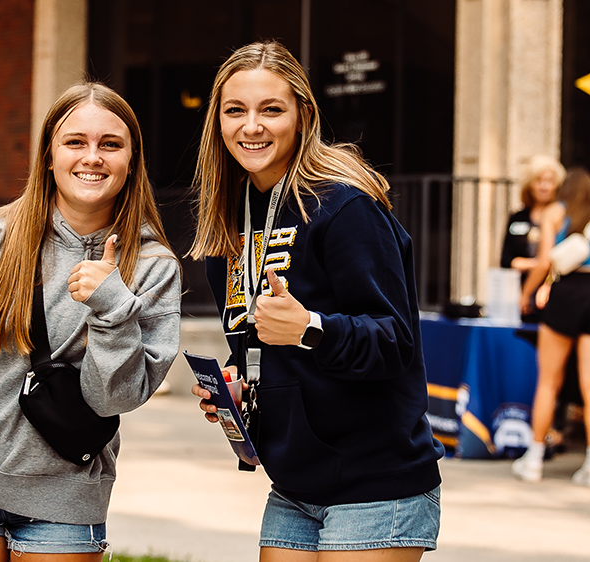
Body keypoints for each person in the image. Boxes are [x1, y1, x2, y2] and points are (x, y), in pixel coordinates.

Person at [0, 82, 181, 560]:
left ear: (131, 161)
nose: (92, 157)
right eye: (75, 142)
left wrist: (112, 306)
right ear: (48, 155)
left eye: (110, 144)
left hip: (65, 501)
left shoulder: (152, 266)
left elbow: (114, 398)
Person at [188, 40, 443, 561]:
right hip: (296, 482)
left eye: (271, 109)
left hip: (376, 481)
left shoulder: (345, 208)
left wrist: (310, 327)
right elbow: (258, 349)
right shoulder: (229, 227)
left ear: (303, 116)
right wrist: (239, 387)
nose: (251, 126)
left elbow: (396, 341)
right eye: (235, 110)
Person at [511, 167, 590, 487]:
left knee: (548, 383)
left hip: (565, 293)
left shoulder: (555, 212)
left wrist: (526, 295)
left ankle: (535, 460)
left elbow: (543, 263)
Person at [499, 155, 565, 322]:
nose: (544, 187)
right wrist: (540, 263)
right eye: (538, 180)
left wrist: (537, 266)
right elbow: (506, 260)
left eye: (549, 181)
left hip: (552, 295)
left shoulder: (563, 217)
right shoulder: (518, 217)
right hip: (517, 295)